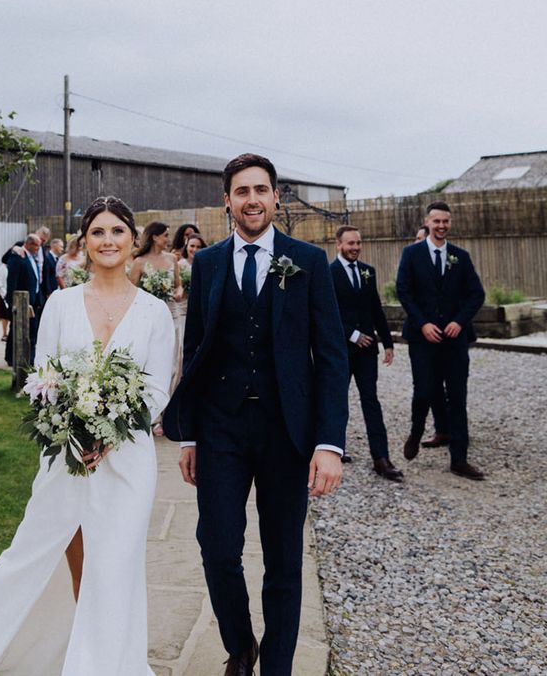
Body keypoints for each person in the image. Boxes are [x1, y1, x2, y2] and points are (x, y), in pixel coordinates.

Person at [0, 196, 175, 676]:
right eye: (98, 232)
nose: (108, 241)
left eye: (117, 232)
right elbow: (43, 379)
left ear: (133, 240)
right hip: (67, 456)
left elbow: (154, 389)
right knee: (36, 549)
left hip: (127, 459)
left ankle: (104, 664)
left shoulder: (154, 312)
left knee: (116, 563)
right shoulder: (61, 304)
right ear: (84, 243)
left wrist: (110, 432)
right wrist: (74, 432)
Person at [163, 153, 348, 676]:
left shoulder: (307, 262)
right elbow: (196, 352)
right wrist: (189, 437)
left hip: (287, 433)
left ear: (275, 197)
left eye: (261, 190)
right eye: (241, 191)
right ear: (227, 201)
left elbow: (332, 358)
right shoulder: (209, 263)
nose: (252, 200)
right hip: (221, 430)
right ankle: (241, 646)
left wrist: (329, 443)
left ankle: (278, 668)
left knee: (284, 560)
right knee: (217, 547)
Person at [397, 201, 486, 480]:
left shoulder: (460, 256)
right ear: (428, 222)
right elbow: (404, 291)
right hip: (424, 339)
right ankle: (416, 431)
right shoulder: (411, 254)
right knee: (424, 390)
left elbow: (476, 294)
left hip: (453, 340)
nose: (442, 226)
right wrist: (422, 323)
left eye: (446, 221)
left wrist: (459, 321)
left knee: (457, 397)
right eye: (437, 221)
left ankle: (459, 458)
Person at [330, 226, 403, 482]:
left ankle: (381, 458)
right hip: (341, 349)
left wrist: (388, 342)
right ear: (338, 244)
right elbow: (327, 313)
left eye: (358, 243)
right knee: (336, 400)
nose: (355, 248)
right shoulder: (329, 273)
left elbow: (376, 309)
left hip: (367, 350)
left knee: (371, 400)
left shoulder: (368, 272)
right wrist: (352, 334)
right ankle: (335, 448)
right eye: (350, 243)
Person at [130, 222, 183, 436]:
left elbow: (177, 284)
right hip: (147, 315)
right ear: (154, 237)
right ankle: (149, 413)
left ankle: (166, 415)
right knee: (149, 363)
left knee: (173, 365)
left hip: (172, 312)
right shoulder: (139, 262)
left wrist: (177, 291)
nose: (168, 239)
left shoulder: (172, 260)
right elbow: (130, 290)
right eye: (165, 235)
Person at [412, 225, 451, 449]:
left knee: (446, 386)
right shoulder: (412, 261)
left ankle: (449, 429)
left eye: (421, 238)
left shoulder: (446, 259)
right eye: (416, 238)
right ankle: (436, 429)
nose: (418, 242)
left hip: (446, 333)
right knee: (428, 386)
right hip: (421, 333)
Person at [5, 233, 43, 365]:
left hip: (34, 299)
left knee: (32, 331)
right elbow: (12, 281)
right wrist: (13, 301)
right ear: (29, 244)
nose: (39, 249)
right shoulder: (18, 256)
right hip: (21, 300)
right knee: (16, 330)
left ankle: (29, 358)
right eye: (37, 246)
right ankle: (11, 358)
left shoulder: (32, 257)